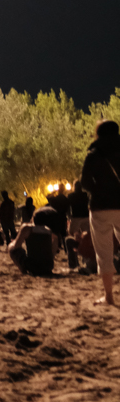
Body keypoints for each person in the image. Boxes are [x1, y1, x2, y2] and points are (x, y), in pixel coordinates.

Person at [81, 119, 120, 307]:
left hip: (101, 206)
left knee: (104, 252)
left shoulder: (94, 155)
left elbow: (85, 182)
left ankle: (109, 296)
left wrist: (99, 191)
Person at [8, 209, 60, 277]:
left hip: (33, 266)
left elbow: (17, 245)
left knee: (11, 246)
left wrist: (14, 242)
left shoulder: (27, 228)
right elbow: (53, 251)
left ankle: (23, 270)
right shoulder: (49, 231)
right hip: (48, 267)